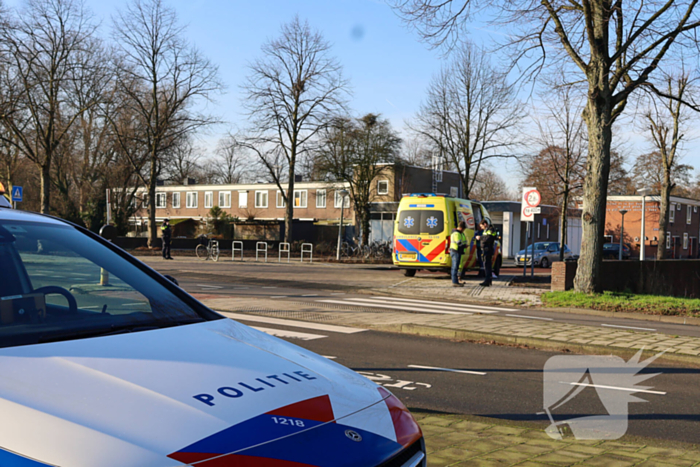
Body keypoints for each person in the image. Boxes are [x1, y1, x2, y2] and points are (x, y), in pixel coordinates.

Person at [476, 220, 497, 287]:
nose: (481, 228)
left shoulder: (491, 230)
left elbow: (489, 238)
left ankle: (487, 281)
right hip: (485, 249)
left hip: (488, 249)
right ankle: (488, 280)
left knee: (487, 265)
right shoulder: (486, 230)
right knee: (486, 265)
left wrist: (480, 238)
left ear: (485, 224)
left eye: (481, 226)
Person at [448, 221, 467, 287]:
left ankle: (456, 281)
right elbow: (459, 243)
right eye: (464, 229)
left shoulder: (456, 233)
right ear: (461, 228)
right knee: (455, 267)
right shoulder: (456, 234)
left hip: (455, 251)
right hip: (455, 251)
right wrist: (465, 246)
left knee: (455, 267)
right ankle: (455, 282)